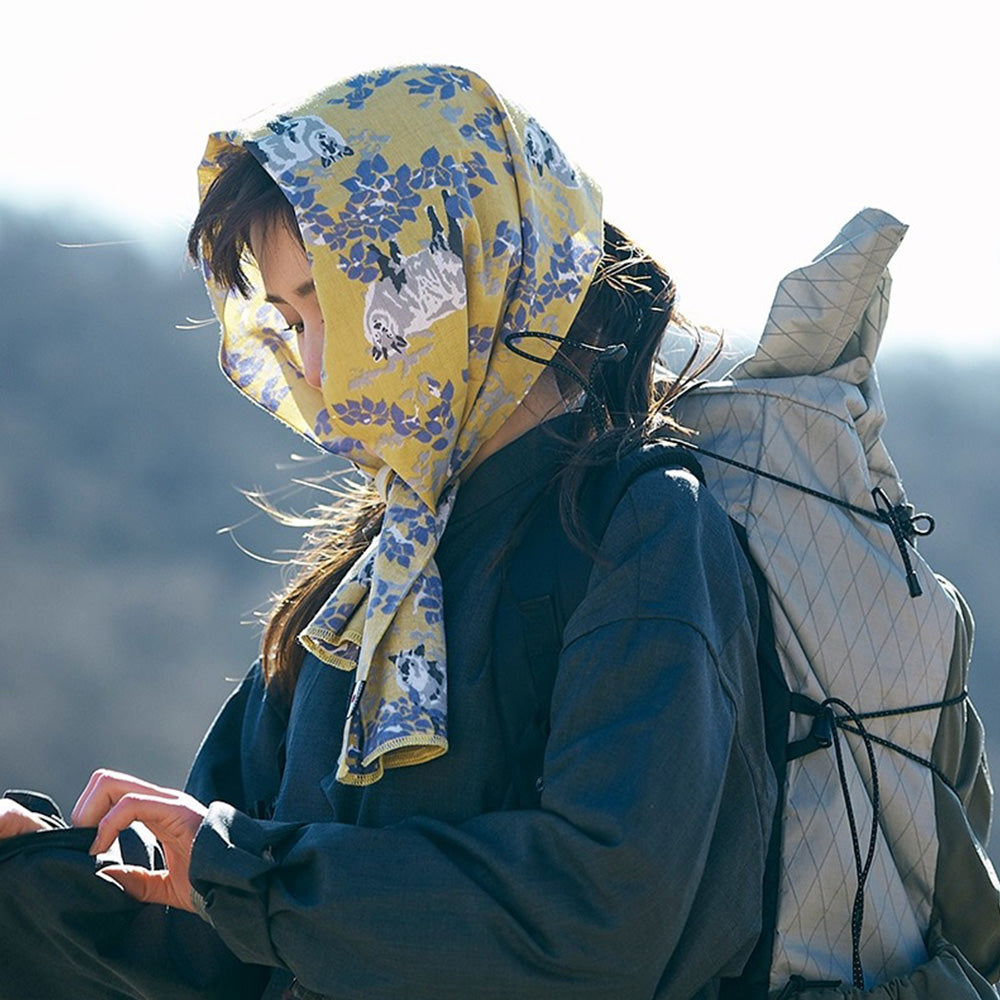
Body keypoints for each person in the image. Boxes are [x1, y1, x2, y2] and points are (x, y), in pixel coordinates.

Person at [0, 64, 775, 999]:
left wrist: (246, 875)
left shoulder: (640, 528)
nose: (312, 365)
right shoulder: (355, 586)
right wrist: (41, 873)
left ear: (451, 275)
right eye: (289, 319)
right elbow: (223, 936)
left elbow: (601, 917)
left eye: (328, 303)